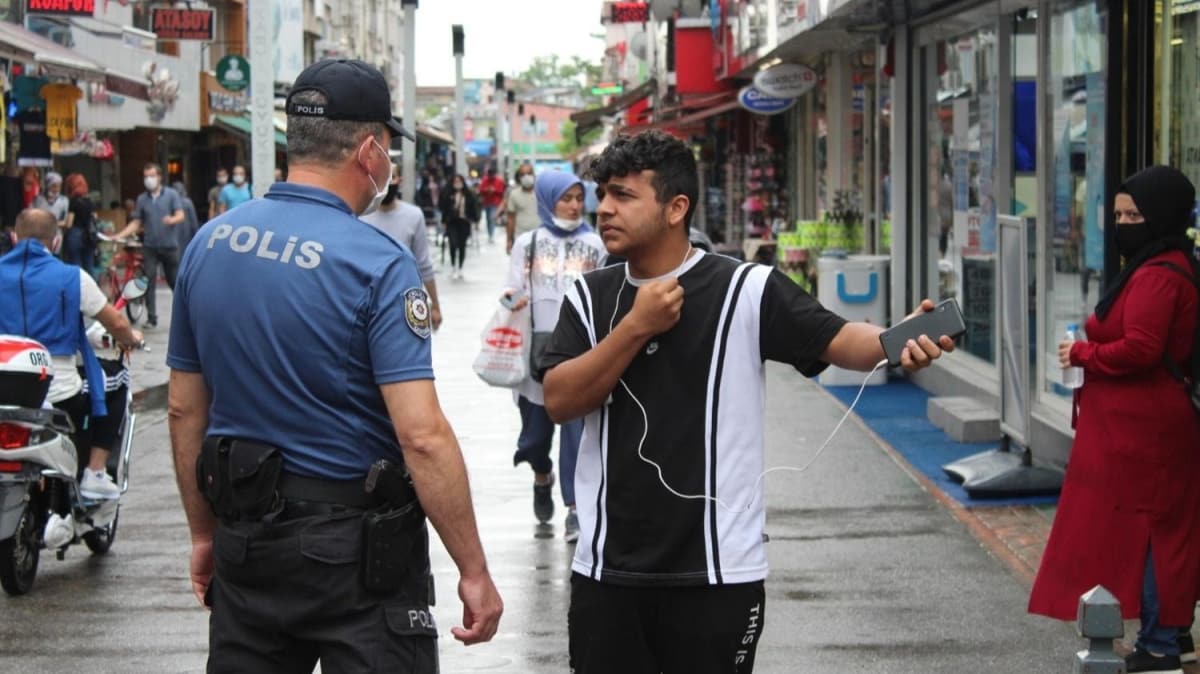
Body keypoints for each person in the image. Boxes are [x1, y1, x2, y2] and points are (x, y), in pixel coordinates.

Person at [538, 130, 953, 673]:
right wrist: (636, 326)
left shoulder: (747, 289)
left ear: (675, 208)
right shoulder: (588, 297)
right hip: (607, 574)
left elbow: (834, 337)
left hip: (718, 572)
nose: (604, 209)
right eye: (603, 195)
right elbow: (559, 399)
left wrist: (899, 342)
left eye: (623, 195)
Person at [166, 58, 502, 672]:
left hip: (247, 546)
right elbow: (422, 436)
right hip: (358, 558)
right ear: (370, 152)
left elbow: (185, 406)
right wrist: (473, 569)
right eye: (389, 150)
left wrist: (204, 534)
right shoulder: (378, 262)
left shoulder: (209, 244)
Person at [1029, 165, 1200, 674]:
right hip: (1141, 425)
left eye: (1135, 214)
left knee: (1154, 533)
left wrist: (1085, 354)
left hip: (1147, 429)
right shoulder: (1161, 264)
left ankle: (1162, 644)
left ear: (1163, 215)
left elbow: (1143, 349)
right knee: (1160, 530)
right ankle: (1172, 637)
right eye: (1119, 214)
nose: (1123, 224)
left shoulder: (1158, 275)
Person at [0, 208, 142, 502]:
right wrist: (132, 338)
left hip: (6, 391)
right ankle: (95, 472)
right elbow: (115, 323)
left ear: (14, 237)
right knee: (119, 377)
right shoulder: (71, 277)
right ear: (55, 242)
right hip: (59, 391)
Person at [501, 170, 606, 542]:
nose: (575, 205)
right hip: (535, 356)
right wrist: (514, 299)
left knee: (577, 433)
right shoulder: (527, 243)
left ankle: (576, 510)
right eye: (567, 198)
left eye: (580, 198)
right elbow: (510, 289)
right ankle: (542, 476)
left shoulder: (596, 244)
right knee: (534, 440)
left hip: (579, 353)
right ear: (548, 200)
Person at [361, 163, 444, 330]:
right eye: (384, 177)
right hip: (367, 303)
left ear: (400, 180)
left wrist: (435, 305)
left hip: (405, 304)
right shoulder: (362, 215)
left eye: (392, 177)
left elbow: (423, 263)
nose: (388, 183)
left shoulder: (413, 215)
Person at [120, 163, 184, 328]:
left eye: (152, 175)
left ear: (159, 177)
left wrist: (172, 220)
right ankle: (151, 317)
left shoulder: (171, 195)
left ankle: (186, 314)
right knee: (147, 281)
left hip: (169, 245)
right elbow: (136, 222)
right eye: (146, 176)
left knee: (175, 281)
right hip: (149, 246)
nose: (149, 179)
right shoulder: (142, 199)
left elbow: (180, 215)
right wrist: (120, 235)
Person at [438, 173, 478, 281]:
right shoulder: (448, 194)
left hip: (464, 222)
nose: (457, 183)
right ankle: (453, 267)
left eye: (459, 181)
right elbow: (442, 207)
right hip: (452, 222)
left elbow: (474, 208)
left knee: (462, 245)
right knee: (452, 243)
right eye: (455, 181)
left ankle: (460, 267)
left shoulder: (468, 195)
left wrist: (473, 220)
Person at [62, 173, 96, 275]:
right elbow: (94, 217)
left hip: (76, 234)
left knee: (76, 266)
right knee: (89, 266)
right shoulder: (89, 202)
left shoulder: (73, 202)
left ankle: (77, 289)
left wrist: (58, 223)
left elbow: (69, 223)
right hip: (89, 235)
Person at [504, 163, 539, 255]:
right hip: (520, 238)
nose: (526, 177)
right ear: (519, 177)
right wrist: (509, 240)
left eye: (529, 173)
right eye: (523, 174)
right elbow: (510, 219)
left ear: (534, 175)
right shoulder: (514, 194)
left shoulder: (542, 192)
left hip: (540, 238)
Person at [478, 167, 506, 245]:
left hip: (495, 203)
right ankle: (490, 234)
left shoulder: (499, 181)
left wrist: (494, 190)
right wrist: (486, 190)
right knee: (488, 219)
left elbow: (502, 191)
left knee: (491, 218)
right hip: (487, 202)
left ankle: (491, 235)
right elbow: (480, 190)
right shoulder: (484, 180)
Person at [172, 181, 201, 253]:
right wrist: (196, 234)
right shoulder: (188, 202)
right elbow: (193, 220)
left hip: (174, 233)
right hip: (186, 232)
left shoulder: (171, 202)